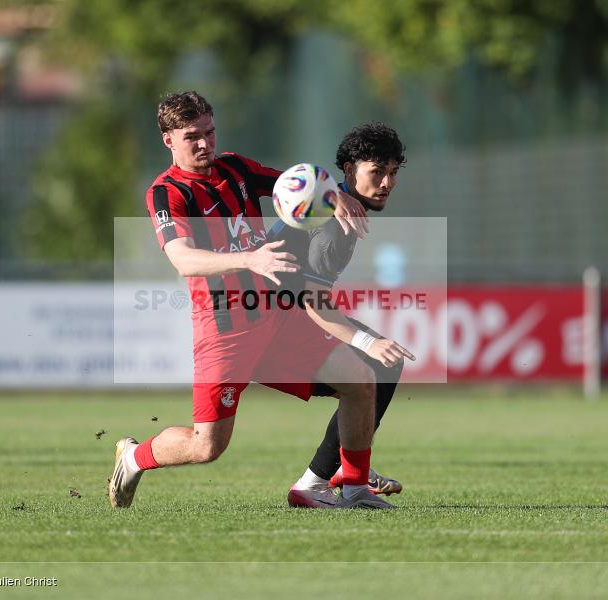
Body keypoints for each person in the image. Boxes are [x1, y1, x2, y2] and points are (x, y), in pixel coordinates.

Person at [109, 91, 396, 510]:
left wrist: (339, 196)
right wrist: (250, 258)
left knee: (361, 379)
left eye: (209, 131)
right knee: (207, 446)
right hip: (224, 330)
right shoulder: (166, 193)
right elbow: (182, 258)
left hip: (274, 319)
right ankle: (134, 457)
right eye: (192, 136)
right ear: (168, 140)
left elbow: (301, 186)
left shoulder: (235, 168)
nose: (205, 143)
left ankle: (350, 489)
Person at [273, 122, 413, 509]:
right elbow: (314, 302)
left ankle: (351, 471)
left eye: (393, 172)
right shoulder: (333, 224)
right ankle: (320, 482)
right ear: (350, 171)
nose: (386, 182)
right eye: (377, 172)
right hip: (267, 331)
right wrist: (367, 340)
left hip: (279, 319)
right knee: (371, 366)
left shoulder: (331, 203)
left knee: (380, 367)